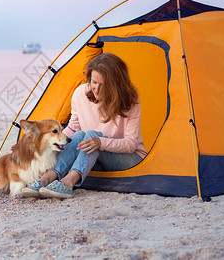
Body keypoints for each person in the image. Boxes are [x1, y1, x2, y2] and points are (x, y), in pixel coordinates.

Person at [22, 52, 148, 199]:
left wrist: (101, 142)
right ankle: (46, 178)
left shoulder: (129, 101)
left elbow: (131, 144)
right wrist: (38, 144)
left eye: (103, 85)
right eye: (94, 82)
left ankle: (68, 182)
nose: (96, 89)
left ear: (116, 85)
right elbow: (72, 129)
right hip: (92, 156)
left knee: (92, 136)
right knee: (80, 135)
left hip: (129, 159)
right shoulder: (80, 93)